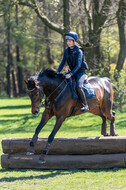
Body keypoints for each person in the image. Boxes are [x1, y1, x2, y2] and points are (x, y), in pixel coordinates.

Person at [57, 31, 89, 111]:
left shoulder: (79, 51)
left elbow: (78, 65)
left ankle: (85, 105)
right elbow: (62, 63)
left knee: (78, 86)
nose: (68, 42)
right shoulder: (66, 51)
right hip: (72, 72)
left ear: (74, 41)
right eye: (67, 41)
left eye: (70, 41)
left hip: (80, 72)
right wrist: (57, 72)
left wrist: (71, 74)